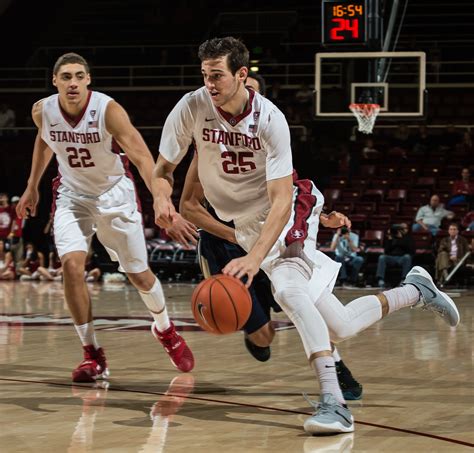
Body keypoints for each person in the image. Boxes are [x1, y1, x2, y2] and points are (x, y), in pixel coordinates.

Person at [152, 36, 459, 435]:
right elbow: (163, 171)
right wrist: (163, 201)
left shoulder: (270, 119)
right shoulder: (192, 108)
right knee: (341, 325)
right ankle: (417, 290)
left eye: (217, 76)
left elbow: (281, 201)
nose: (209, 84)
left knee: (288, 291)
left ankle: (334, 403)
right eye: (205, 76)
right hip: (246, 225)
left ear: (242, 75)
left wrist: (252, 256)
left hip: (290, 209)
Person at [179, 71, 362, 399]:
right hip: (228, 245)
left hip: (269, 240)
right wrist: (237, 238)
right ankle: (257, 330)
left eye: (253, 93)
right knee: (264, 338)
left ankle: (334, 366)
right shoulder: (207, 144)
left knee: (306, 303)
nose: (246, 98)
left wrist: (325, 215)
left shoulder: (267, 134)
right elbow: (189, 209)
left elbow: (293, 192)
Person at [16, 52, 194, 383]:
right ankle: (92, 355)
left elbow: (143, 157)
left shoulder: (108, 110)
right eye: (66, 76)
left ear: (88, 80)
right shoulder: (43, 110)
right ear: (55, 81)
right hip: (72, 195)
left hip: (114, 195)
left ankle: (165, 329)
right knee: (71, 266)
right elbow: (44, 140)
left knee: (139, 275)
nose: (73, 82)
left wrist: (160, 199)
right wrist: (32, 186)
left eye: (79, 76)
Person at [375, 223, 414, 288]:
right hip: (391, 258)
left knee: (407, 257)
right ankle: (380, 280)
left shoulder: (408, 238)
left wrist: (401, 238)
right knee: (382, 257)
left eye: (403, 229)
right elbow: (386, 251)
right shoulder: (391, 237)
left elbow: (411, 250)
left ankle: (404, 279)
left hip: (402, 258)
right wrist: (390, 240)